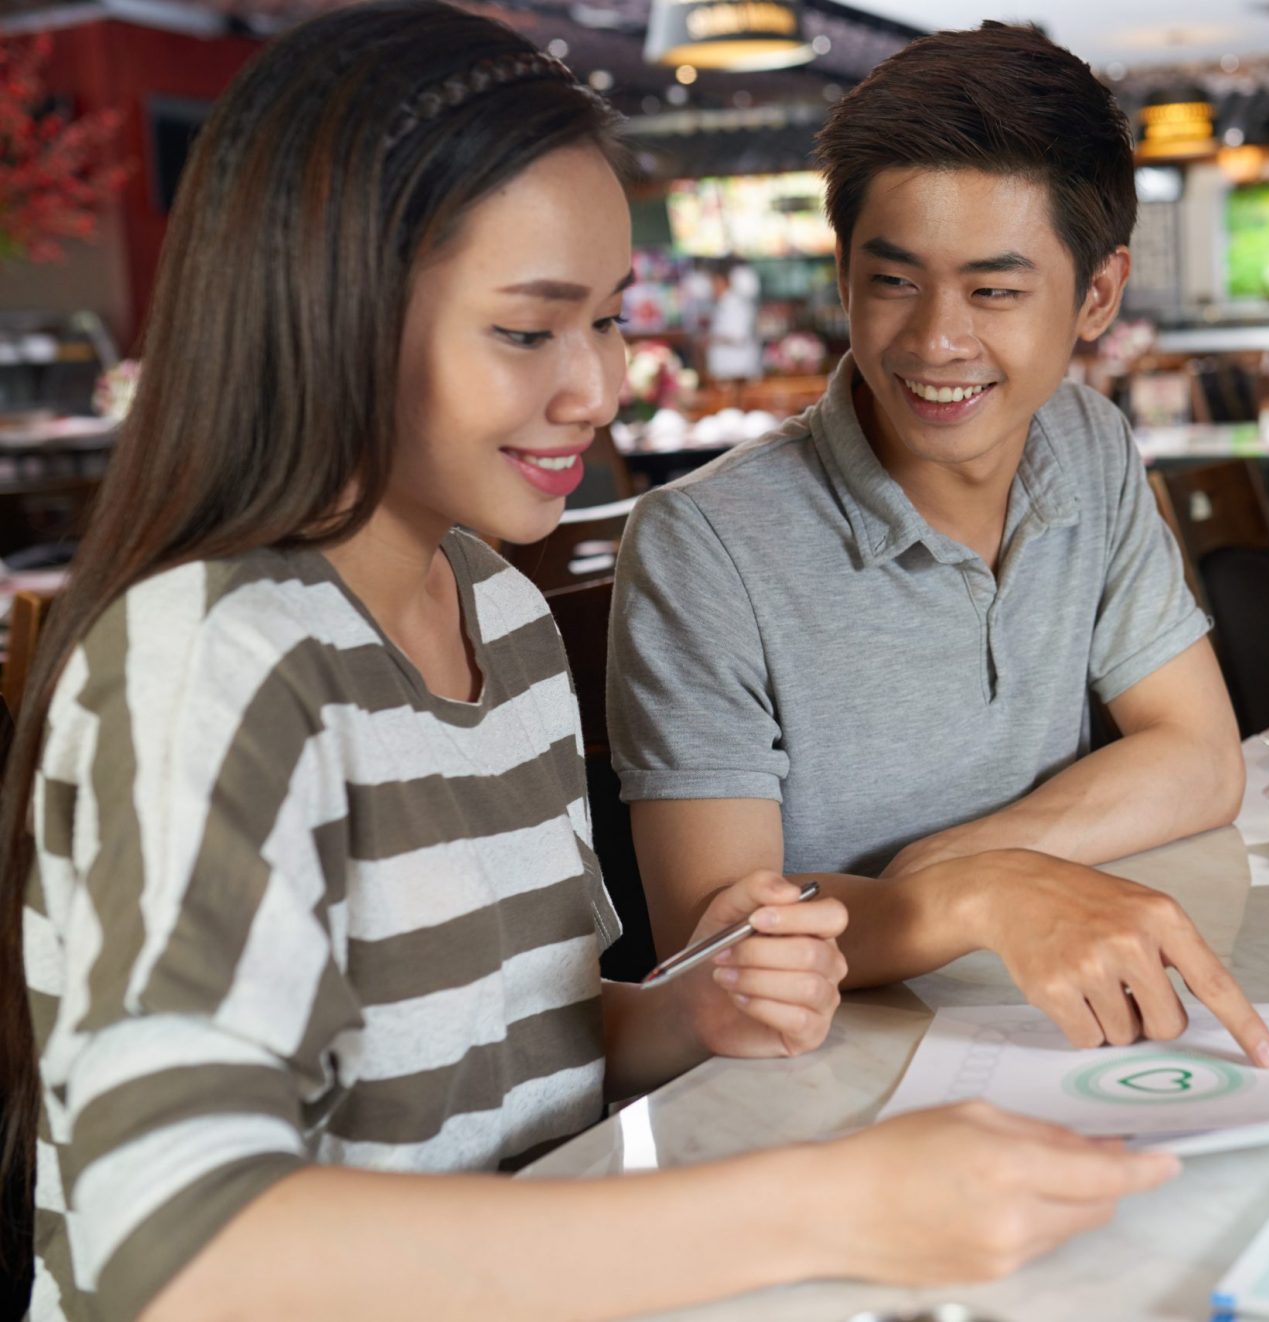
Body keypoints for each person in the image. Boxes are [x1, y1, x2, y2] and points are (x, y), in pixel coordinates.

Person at [0, 7, 1180, 1318]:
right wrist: (831, 1202)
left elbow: (534, 1048)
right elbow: (172, 1244)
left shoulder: (495, 617)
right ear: (336, 310)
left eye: (609, 322)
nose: (600, 389)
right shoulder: (213, 659)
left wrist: (695, 1006)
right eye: (528, 331)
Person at [607, 22, 1269, 1069]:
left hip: (1040, 1018)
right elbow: (727, 945)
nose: (934, 341)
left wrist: (948, 866)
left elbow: (1199, 758)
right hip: (824, 1076)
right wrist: (976, 894)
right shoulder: (705, 542)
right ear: (843, 273)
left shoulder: (1086, 441)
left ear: (1097, 295)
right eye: (894, 280)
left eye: (995, 291)